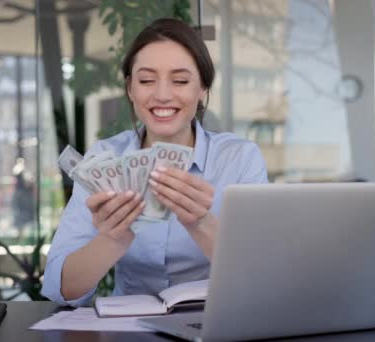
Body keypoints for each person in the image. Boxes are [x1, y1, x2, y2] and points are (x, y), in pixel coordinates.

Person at [42, 18, 268, 306]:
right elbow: (60, 288)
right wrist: (113, 239)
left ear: (203, 89)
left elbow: (260, 277)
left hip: (214, 322)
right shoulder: (104, 158)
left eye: (180, 81)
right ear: (130, 89)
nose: (162, 95)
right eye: (147, 80)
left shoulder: (239, 159)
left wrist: (201, 223)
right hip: (128, 329)